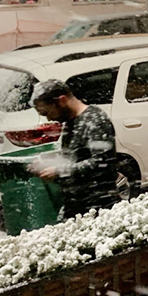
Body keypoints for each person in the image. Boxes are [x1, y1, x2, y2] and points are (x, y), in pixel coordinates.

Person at [28, 79, 119, 219]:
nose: (49, 118)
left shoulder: (95, 120)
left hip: (98, 207)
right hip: (77, 206)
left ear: (62, 100)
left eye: (47, 112)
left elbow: (103, 163)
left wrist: (59, 171)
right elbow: (77, 156)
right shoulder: (70, 121)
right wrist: (48, 163)